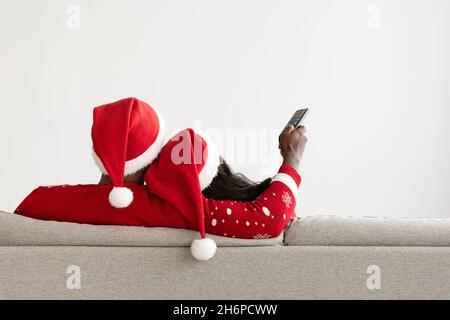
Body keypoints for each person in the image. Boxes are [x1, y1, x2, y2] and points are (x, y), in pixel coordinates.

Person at [14, 98, 307, 260]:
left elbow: (24, 211)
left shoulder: (39, 199)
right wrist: (291, 160)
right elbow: (266, 219)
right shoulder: (168, 206)